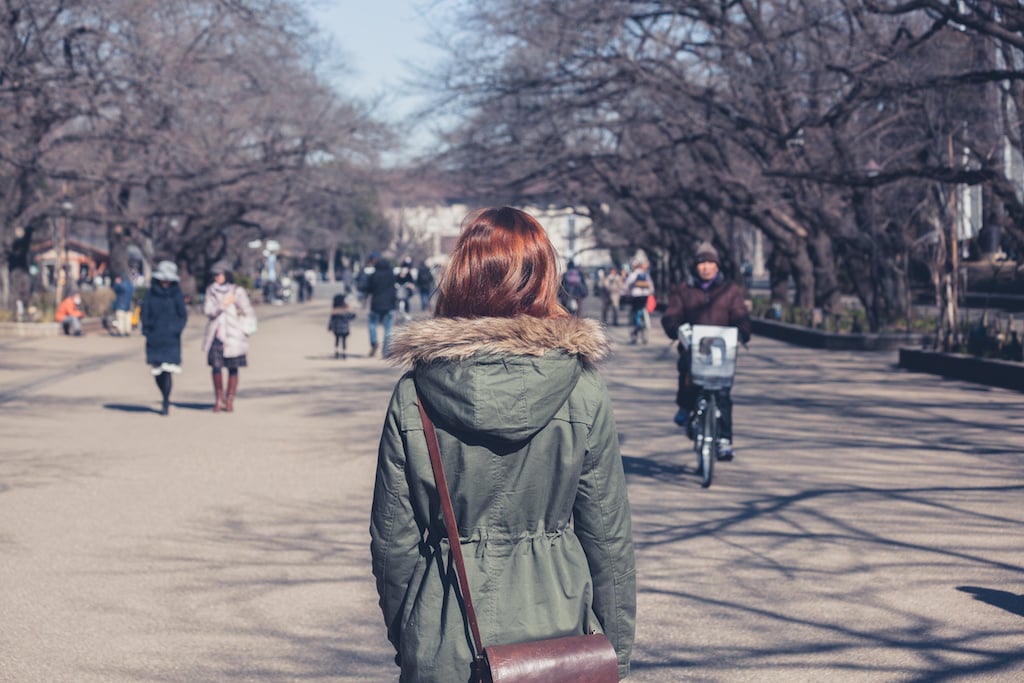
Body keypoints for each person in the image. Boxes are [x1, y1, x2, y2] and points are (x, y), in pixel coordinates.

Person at [370, 207, 636, 682]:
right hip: (558, 630)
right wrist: (616, 653)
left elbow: (393, 543)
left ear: (461, 276)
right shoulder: (581, 387)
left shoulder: (416, 394)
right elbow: (607, 537)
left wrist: (413, 634)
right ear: (544, 278)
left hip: (446, 626)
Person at [660, 241, 751, 459]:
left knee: (723, 395)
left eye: (710, 262)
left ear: (717, 266)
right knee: (686, 371)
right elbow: (671, 316)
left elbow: (740, 316)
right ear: (695, 266)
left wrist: (742, 331)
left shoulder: (731, 291)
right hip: (693, 348)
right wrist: (676, 328)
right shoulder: (684, 289)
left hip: (722, 352)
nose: (706, 267)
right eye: (702, 263)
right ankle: (684, 406)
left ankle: (725, 440)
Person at [202, 260, 255, 412]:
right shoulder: (210, 291)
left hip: (234, 334)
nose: (216, 277)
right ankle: (219, 398)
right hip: (216, 334)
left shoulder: (237, 291)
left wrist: (245, 329)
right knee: (216, 367)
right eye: (215, 275)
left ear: (226, 275)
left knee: (233, 367)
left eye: (219, 274)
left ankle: (230, 398)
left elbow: (248, 311)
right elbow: (208, 311)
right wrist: (223, 305)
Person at [140, 261, 187, 416]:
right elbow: (144, 312)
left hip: (171, 337)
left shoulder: (176, 293)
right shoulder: (151, 293)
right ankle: (163, 395)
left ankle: (166, 400)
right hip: (155, 336)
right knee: (157, 372)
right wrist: (147, 329)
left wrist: (177, 329)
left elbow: (182, 315)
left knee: (167, 371)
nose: (165, 282)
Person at [364, 252, 397, 357]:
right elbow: (394, 289)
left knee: (372, 324)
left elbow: (368, 289)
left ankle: (374, 342)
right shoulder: (391, 274)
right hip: (389, 304)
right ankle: (386, 351)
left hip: (376, 304)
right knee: (388, 328)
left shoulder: (374, 275)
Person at [623, 259, 655, 342]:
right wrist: (650, 292)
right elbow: (651, 286)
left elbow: (626, 285)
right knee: (642, 308)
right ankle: (643, 320)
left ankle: (637, 325)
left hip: (635, 296)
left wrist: (627, 293)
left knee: (634, 311)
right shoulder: (645, 274)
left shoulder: (633, 274)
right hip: (645, 296)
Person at [327, 294, 357, 359]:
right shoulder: (346, 309)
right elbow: (352, 316)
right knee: (344, 340)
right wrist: (353, 311)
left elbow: (331, 320)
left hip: (336, 328)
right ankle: (344, 352)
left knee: (337, 339)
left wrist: (330, 327)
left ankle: (336, 351)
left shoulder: (335, 311)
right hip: (345, 328)